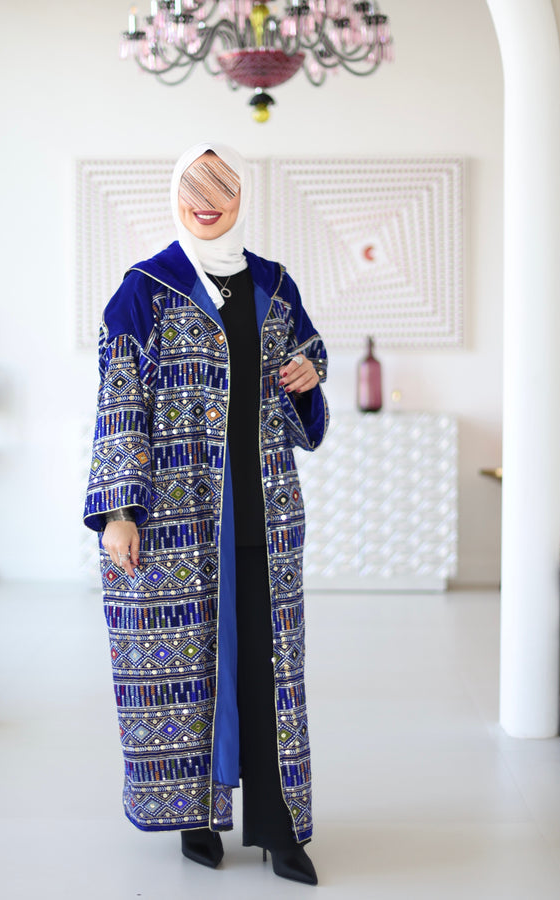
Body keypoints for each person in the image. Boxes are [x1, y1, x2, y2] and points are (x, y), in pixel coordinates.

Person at [84, 142, 329, 885]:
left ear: (240, 196)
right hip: (177, 516)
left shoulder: (273, 285)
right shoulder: (143, 291)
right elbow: (119, 403)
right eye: (194, 185)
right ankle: (196, 813)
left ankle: (280, 827)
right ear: (174, 194)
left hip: (260, 509)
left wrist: (307, 376)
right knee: (186, 661)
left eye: (221, 186)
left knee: (268, 661)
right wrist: (120, 511)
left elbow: (309, 380)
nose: (207, 198)